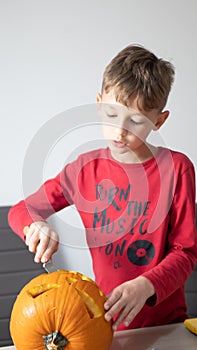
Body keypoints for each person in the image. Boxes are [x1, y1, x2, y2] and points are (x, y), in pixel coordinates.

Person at [8, 44, 197, 331]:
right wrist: (35, 226)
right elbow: (22, 209)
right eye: (111, 115)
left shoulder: (177, 168)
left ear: (159, 120)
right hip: (108, 324)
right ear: (98, 103)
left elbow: (186, 252)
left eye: (135, 120)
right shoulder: (83, 169)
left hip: (164, 324)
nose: (120, 131)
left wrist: (147, 286)